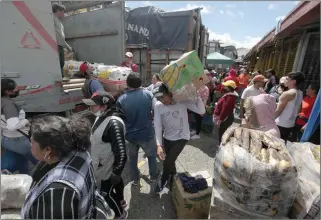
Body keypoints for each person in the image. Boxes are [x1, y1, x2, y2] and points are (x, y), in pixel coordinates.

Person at [21, 115, 101, 219]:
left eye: (32, 142)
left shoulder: (56, 192)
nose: (30, 144)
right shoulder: (79, 152)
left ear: (47, 150)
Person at [152, 83, 205, 193]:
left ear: (169, 93)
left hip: (182, 136)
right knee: (172, 161)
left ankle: (163, 181)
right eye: (158, 98)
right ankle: (173, 178)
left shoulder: (182, 101)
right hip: (167, 137)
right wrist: (159, 145)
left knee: (167, 161)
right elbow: (157, 125)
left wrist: (196, 95)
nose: (162, 100)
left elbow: (201, 111)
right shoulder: (158, 106)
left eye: (163, 97)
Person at [82, 91, 128, 219]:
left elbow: (122, 153)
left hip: (108, 166)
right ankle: (121, 200)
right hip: (102, 163)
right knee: (117, 184)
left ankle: (120, 214)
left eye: (93, 105)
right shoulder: (102, 115)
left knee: (106, 194)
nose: (90, 108)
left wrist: (116, 172)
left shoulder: (113, 123)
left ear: (104, 105)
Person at [117, 72, 158, 186]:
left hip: (130, 136)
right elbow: (156, 110)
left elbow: (120, 119)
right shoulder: (149, 95)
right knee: (151, 156)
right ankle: (153, 176)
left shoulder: (121, 99)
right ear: (140, 82)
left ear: (127, 83)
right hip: (147, 133)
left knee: (132, 159)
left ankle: (135, 180)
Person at [1, 79, 37, 174]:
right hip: (18, 140)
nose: (17, 89)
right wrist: (26, 121)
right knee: (41, 163)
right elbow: (13, 125)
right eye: (15, 88)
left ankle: (23, 181)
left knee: (21, 162)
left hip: (6, 140)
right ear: (7, 91)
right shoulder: (7, 104)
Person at [275, 71, 305, 142]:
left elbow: (279, 111)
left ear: (293, 81)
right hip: (290, 124)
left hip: (280, 124)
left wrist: (269, 120)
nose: (285, 80)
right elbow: (299, 109)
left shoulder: (287, 93)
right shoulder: (300, 92)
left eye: (287, 79)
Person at [52, 3, 72, 79]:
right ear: (58, 11)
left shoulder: (58, 21)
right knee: (59, 62)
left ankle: (61, 77)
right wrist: (66, 46)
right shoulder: (52, 19)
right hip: (56, 44)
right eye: (63, 11)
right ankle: (60, 78)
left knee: (61, 62)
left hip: (59, 44)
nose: (64, 13)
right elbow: (57, 34)